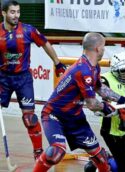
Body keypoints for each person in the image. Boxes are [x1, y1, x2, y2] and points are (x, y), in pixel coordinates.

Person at [33, 33, 125, 172]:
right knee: (56, 152)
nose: (104, 49)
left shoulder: (94, 67)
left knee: (100, 158)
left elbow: (100, 88)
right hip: (54, 116)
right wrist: (111, 109)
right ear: (97, 48)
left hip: (75, 118)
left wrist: (122, 99)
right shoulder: (83, 70)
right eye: (103, 46)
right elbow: (92, 104)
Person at [0, 0, 66, 160]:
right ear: (3, 13)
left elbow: (45, 43)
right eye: (12, 12)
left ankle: (38, 153)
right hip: (2, 79)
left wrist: (57, 63)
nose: (16, 15)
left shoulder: (28, 30)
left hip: (23, 79)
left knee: (30, 118)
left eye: (18, 12)